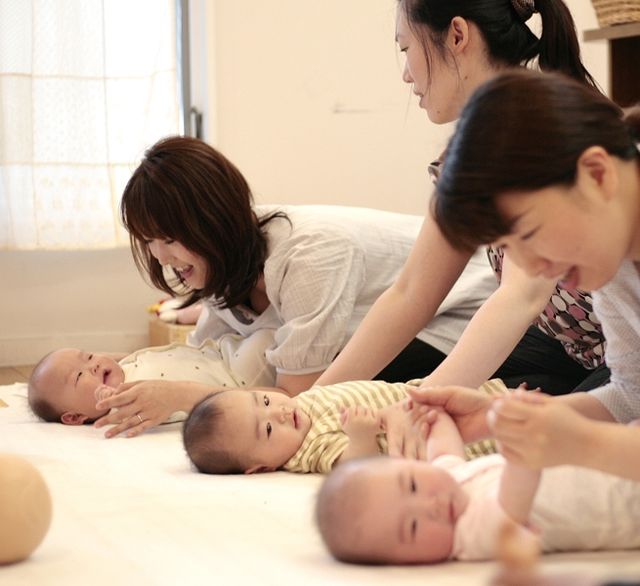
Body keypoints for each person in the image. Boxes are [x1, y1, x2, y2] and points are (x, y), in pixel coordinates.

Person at [96, 134, 496, 436]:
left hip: (472, 313)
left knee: (318, 407)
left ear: (210, 222)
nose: (161, 257)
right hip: (421, 316)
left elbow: (297, 400)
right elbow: (205, 359)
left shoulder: (307, 256)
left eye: (168, 239)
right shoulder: (220, 265)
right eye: (149, 241)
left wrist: (178, 396)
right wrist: (118, 369)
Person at [316, 0, 610, 399]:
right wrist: (314, 401)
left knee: (448, 405)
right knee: (396, 384)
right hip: (575, 350)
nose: (406, 74)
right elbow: (410, 293)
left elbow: (521, 296)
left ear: (457, 34)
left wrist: (422, 408)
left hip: (623, 351)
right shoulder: (471, 148)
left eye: (406, 48)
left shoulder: (536, 128)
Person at [412, 68, 640, 481]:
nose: (533, 267)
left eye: (530, 235)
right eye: (508, 248)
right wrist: (492, 417)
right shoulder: (610, 252)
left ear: (597, 174)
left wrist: (587, 443)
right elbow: (631, 394)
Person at [315, 399, 640, 564]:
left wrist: (433, 416)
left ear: (406, 464)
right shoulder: (471, 536)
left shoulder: (449, 479)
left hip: (614, 457)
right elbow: (515, 496)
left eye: (412, 485)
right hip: (627, 503)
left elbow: (444, 449)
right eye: (413, 527)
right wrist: (516, 440)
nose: (431, 505)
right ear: (408, 562)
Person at [183, 379, 508, 474]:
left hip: (442, 393)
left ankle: (510, 405)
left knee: (501, 402)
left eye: (265, 401)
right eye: (267, 430)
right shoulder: (310, 448)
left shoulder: (302, 401)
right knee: (506, 430)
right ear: (262, 467)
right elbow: (355, 466)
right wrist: (361, 437)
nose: (278, 413)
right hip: (446, 433)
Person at [27, 330, 276, 435]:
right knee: (268, 338)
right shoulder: (126, 403)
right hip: (238, 379)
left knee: (267, 334)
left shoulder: (121, 368)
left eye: (89, 356)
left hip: (221, 352)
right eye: (79, 376)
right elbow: (125, 408)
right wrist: (108, 399)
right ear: (74, 417)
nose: (92, 365)